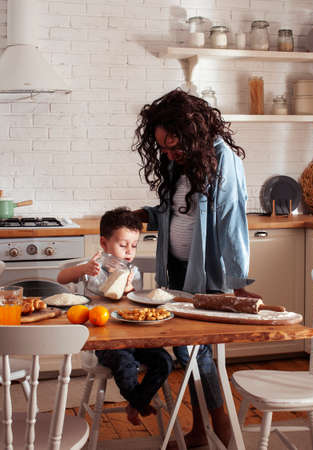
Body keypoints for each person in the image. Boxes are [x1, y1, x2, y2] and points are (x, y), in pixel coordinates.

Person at [131, 89, 259, 448]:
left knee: (198, 352)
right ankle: (206, 427)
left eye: (174, 147)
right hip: (176, 272)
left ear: (192, 132)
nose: (168, 155)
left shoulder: (222, 158)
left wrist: (236, 281)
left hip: (205, 275)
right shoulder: (179, 163)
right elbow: (176, 212)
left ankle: (219, 427)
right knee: (186, 353)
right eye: (164, 149)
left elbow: (232, 222)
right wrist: (144, 215)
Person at [57, 207, 173, 426]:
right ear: (104, 243)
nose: (129, 251)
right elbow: (61, 277)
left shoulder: (132, 272)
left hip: (132, 336)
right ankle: (139, 401)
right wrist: (82, 268)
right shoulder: (94, 269)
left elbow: (130, 306)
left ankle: (136, 402)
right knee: (125, 364)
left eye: (134, 245)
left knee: (164, 361)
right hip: (102, 341)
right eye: (123, 245)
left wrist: (129, 291)